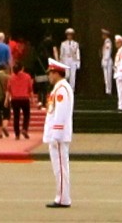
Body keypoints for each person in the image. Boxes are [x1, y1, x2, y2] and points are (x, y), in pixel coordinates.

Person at [42, 58, 74, 208]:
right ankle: (62, 196)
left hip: (59, 136)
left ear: (57, 73)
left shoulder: (62, 89)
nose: (49, 76)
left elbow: (61, 113)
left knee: (60, 168)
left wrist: (56, 135)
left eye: (51, 73)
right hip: (57, 135)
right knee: (59, 168)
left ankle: (62, 198)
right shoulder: (59, 88)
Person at [7, 62, 35, 139]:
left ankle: (17, 134)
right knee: (26, 115)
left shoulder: (11, 77)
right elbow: (30, 90)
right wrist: (32, 100)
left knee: (16, 117)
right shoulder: (27, 76)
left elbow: (8, 90)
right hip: (25, 99)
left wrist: (6, 100)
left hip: (15, 99)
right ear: (22, 68)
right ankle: (24, 128)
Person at [0, 62, 11, 137]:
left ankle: (0, 133)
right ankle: (5, 126)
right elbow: (9, 88)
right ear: (4, 69)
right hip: (5, 97)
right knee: (6, 114)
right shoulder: (8, 77)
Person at [113, 34, 122, 111]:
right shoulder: (119, 51)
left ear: (120, 42)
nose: (116, 44)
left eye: (117, 42)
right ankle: (120, 105)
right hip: (117, 73)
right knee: (119, 91)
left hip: (121, 73)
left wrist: (120, 72)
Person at [100, 28, 113, 96]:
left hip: (107, 61)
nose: (102, 36)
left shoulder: (108, 42)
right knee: (106, 76)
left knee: (108, 76)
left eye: (103, 34)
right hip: (106, 61)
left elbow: (107, 53)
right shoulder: (106, 42)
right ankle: (107, 90)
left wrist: (105, 60)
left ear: (106, 35)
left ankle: (108, 90)